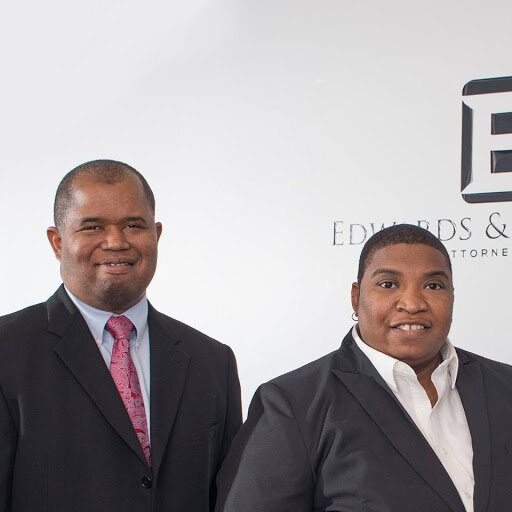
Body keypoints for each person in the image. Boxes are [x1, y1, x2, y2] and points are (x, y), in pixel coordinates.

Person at [216, 224, 512, 512]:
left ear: (452, 296)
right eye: (388, 284)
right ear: (356, 297)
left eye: (433, 285)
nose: (412, 304)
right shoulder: (292, 405)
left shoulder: (505, 386)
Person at [0, 160, 242, 511]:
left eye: (133, 225)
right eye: (92, 227)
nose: (115, 242)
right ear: (57, 242)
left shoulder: (212, 362)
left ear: (156, 235)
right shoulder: (8, 351)